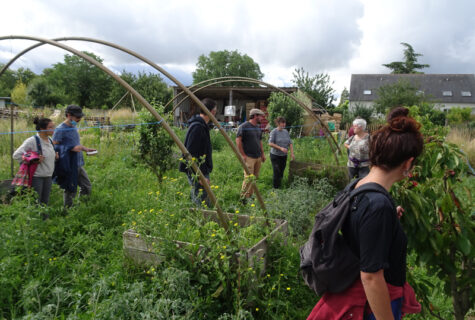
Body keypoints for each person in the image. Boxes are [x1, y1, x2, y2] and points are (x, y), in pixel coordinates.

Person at [307, 107, 423, 319]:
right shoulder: (377, 206)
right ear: (408, 163)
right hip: (375, 303)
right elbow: (371, 277)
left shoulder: (359, 185)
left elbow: (358, 221)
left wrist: (386, 221)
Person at [53, 105, 96, 207]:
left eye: (80, 117)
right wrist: (70, 148)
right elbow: (55, 146)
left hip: (78, 162)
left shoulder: (73, 126)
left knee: (86, 186)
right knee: (70, 189)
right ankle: (68, 212)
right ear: (69, 115)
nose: (79, 119)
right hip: (69, 163)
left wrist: (85, 148)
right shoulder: (60, 129)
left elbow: (75, 144)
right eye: (77, 117)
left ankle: (81, 207)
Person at [179, 98, 217, 207]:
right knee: (201, 199)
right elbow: (191, 153)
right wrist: (199, 175)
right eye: (215, 111)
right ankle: (202, 221)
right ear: (212, 112)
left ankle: (202, 218)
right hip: (197, 170)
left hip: (200, 168)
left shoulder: (201, 125)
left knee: (201, 196)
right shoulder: (197, 127)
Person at [13, 117, 57, 205]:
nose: (53, 129)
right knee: (36, 202)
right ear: (42, 129)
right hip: (37, 177)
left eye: (53, 127)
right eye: (50, 127)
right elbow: (16, 155)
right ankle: (36, 218)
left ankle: (45, 218)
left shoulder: (50, 140)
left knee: (45, 202)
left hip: (48, 176)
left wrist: (55, 156)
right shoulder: (32, 141)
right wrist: (32, 160)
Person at [236, 108, 266, 202]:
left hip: (257, 157)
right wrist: (243, 155)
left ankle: (250, 196)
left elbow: (259, 141)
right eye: (261, 116)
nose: (262, 118)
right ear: (255, 116)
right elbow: (238, 140)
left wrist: (262, 154)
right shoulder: (244, 126)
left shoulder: (258, 127)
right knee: (248, 178)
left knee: (255, 178)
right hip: (248, 157)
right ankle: (243, 198)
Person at [268, 116, 294, 188]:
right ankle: (275, 189)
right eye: (282, 123)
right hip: (275, 155)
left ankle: (280, 185)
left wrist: (292, 153)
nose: (284, 124)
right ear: (278, 123)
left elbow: (290, 143)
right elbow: (270, 143)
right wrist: (280, 148)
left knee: (281, 172)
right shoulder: (274, 132)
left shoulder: (286, 132)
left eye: (284, 123)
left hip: (283, 156)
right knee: (276, 171)